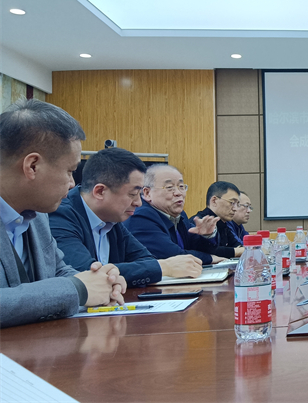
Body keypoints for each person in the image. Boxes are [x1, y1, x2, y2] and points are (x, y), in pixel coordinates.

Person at [0, 99, 125, 328]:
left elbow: (57, 270)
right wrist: (77, 289)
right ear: (32, 166)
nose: (72, 183)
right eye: (70, 171)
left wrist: (100, 280)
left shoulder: (37, 214)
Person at [50, 148, 203, 287]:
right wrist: (164, 267)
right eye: (133, 194)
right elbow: (85, 273)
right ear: (100, 191)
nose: (138, 202)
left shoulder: (112, 219)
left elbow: (145, 259)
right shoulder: (60, 215)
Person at [124, 164, 223, 265]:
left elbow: (198, 248)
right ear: (147, 193)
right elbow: (172, 256)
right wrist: (210, 258)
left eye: (181, 186)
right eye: (169, 187)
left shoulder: (180, 215)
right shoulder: (140, 217)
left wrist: (207, 235)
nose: (178, 193)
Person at [193, 181, 245, 259]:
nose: (235, 209)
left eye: (237, 204)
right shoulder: (199, 222)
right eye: (232, 202)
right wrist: (238, 251)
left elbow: (237, 245)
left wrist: (240, 250)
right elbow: (207, 252)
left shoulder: (223, 223)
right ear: (214, 201)